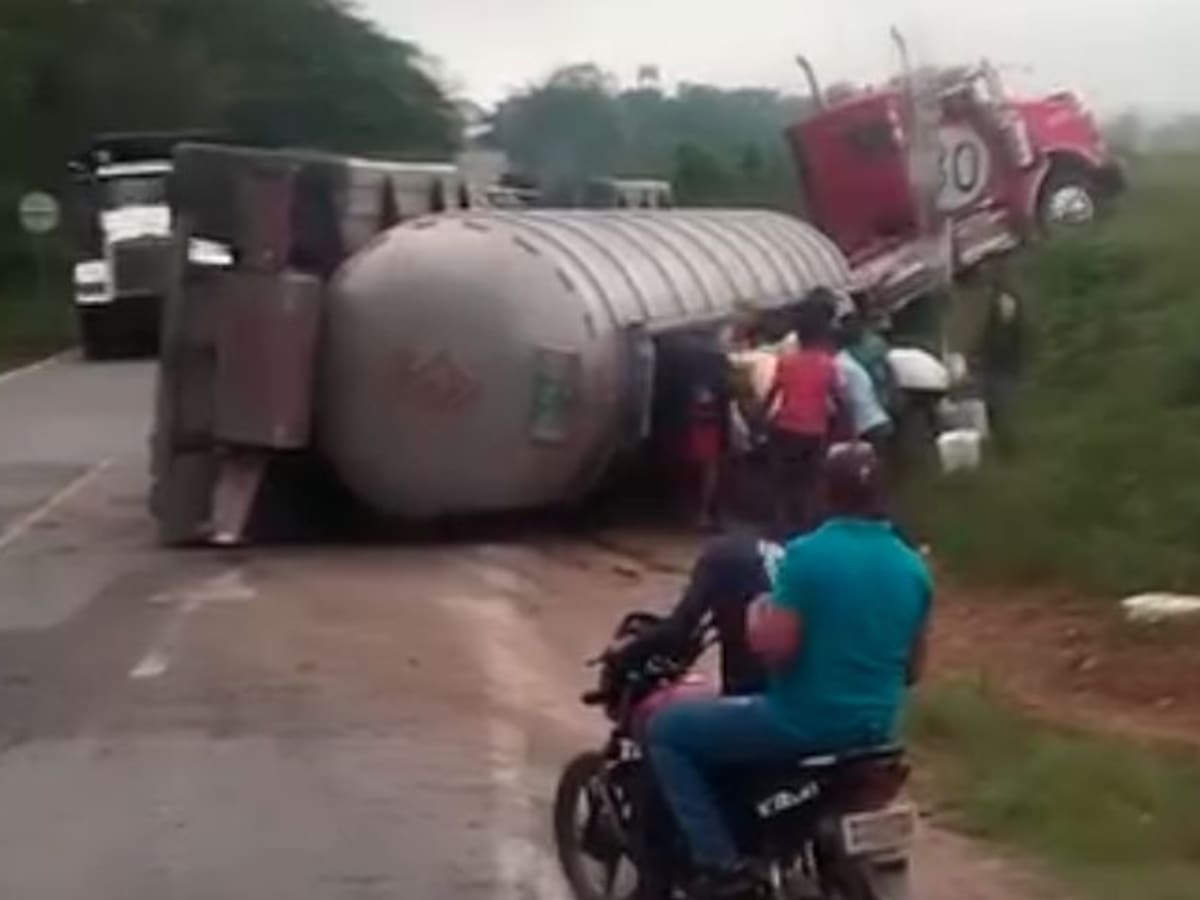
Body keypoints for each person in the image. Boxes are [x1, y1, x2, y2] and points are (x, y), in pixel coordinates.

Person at [645, 442, 933, 897]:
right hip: (877, 734)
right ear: (882, 495)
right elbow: (913, 669)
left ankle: (719, 867)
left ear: (824, 493)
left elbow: (774, 651)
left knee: (668, 730)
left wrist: (759, 613)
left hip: (802, 724)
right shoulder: (913, 568)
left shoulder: (805, 557)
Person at [762, 296, 840, 534]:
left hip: (786, 427)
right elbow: (835, 399)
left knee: (782, 481)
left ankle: (779, 525)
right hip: (814, 431)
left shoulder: (786, 362)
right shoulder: (828, 365)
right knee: (809, 481)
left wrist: (760, 421)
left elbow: (773, 395)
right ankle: (807, 525)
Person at [976, 272, 1027, 456]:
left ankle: (1008, 446)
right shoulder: (1000, 307)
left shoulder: (995, 307)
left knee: (1002, 406)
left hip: (1002, 364)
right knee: (998, 406)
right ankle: (1004, 445)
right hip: (998, 363)